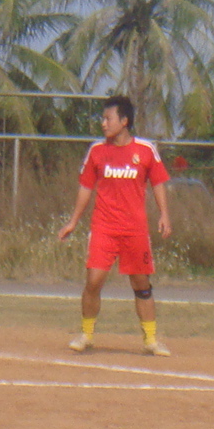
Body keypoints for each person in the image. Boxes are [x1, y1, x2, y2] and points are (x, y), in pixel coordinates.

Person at [56, 95, 172, 356]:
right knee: (94, 280)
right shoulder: (97, 151)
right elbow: (86, 187)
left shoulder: (145, 150)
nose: (103, 123)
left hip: (135, 229)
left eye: (108, 118)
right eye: (103, 118)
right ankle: (86, 335)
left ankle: (151, 340)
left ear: (124, 121)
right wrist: (73, 221)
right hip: (104, 227)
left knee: (141, 283)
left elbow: (158, 182)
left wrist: (164, 214)